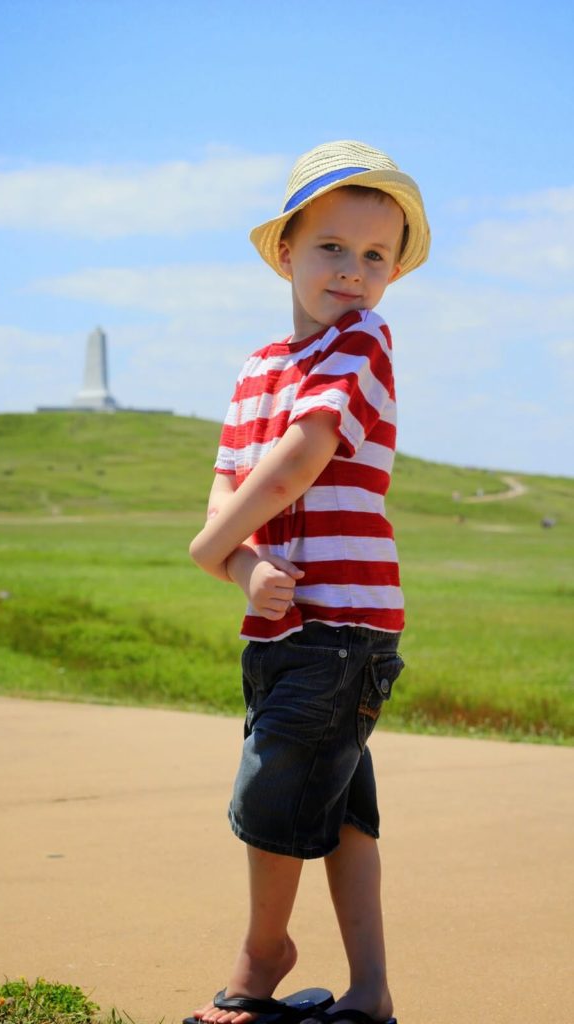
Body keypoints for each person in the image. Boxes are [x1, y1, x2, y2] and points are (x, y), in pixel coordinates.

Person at [187, 140, 430, 1024]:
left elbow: (298, 461)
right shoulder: (258, 369)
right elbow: (232, 475)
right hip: (287, 631)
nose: (353, 272)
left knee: (272, 789)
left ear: (392, 274)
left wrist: (208, 548)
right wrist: (242, 561)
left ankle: (263, 958)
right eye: (332, 247)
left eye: (376, 257)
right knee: (341, 809)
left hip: (345, 628)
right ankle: (370, 992)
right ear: (286, 250)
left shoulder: (363, 342)